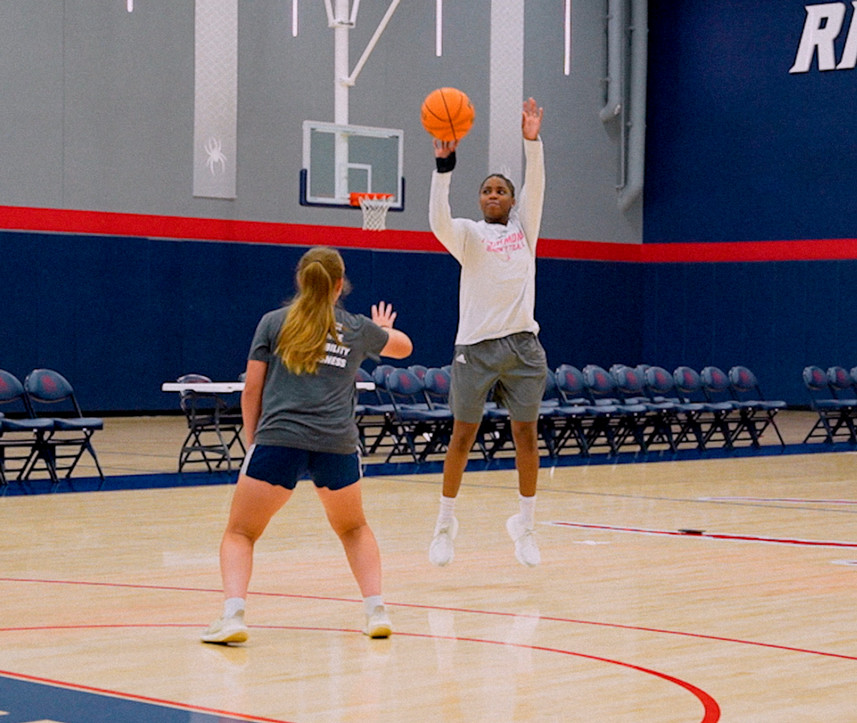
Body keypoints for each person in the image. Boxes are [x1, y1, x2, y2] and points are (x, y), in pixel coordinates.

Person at [202, 246, 413, 644]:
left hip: (278, 440)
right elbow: (403, 348)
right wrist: (380, 329)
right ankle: (376, 611)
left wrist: (253, 440)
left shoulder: (274, 322)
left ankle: (233, 616)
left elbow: (252, 390)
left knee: (241, 532)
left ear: (301, 280)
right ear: (339, 285)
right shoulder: (355, 328)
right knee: (353, 527)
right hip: (337, 444)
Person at [427, 97, 546, 568]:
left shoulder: (525, 229)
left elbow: (537, 184)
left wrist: (531, 141)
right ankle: (444, 524)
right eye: (487, 191)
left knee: (527, 438)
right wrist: (443, 167)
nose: (493, 195)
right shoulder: (469, 235)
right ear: (479, 200)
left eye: (501, 190)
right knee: (462, 437)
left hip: (522, 346)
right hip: (474, 349)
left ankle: (526, 526)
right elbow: (437, 219)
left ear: (513, 201)